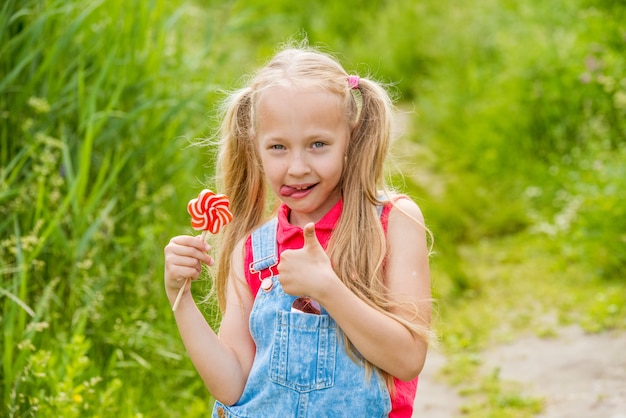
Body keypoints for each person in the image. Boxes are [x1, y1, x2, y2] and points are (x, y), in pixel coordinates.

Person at [164, 42, 434, 418]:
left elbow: (407, 359)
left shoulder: (392, 223)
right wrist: (181, 298)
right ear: (255, 147)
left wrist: (327, 288)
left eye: (318, 144)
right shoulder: (253, 251)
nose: (297, 167)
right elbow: (231, 384)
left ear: (350, 140)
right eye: (277, 147)